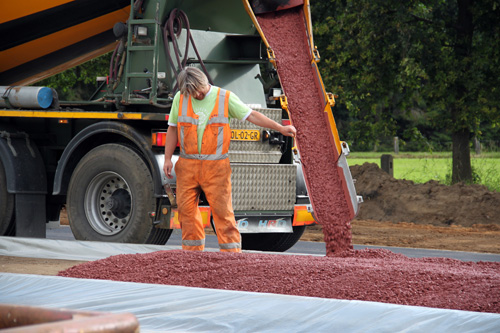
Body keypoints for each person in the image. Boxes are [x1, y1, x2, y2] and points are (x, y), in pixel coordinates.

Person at [163, 67, 296, 253]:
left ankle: (231, 257)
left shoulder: (224, 98)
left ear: (204, 83)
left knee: (223, 214)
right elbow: (173, 129)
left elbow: (252, 115)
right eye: (192, 94)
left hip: (216, 168)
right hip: (187, 166)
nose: (197, 96)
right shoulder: (181, 98)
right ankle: (191, 257)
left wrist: (280, 128)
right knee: (186, 214)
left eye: (199, 92)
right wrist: (167, 158)